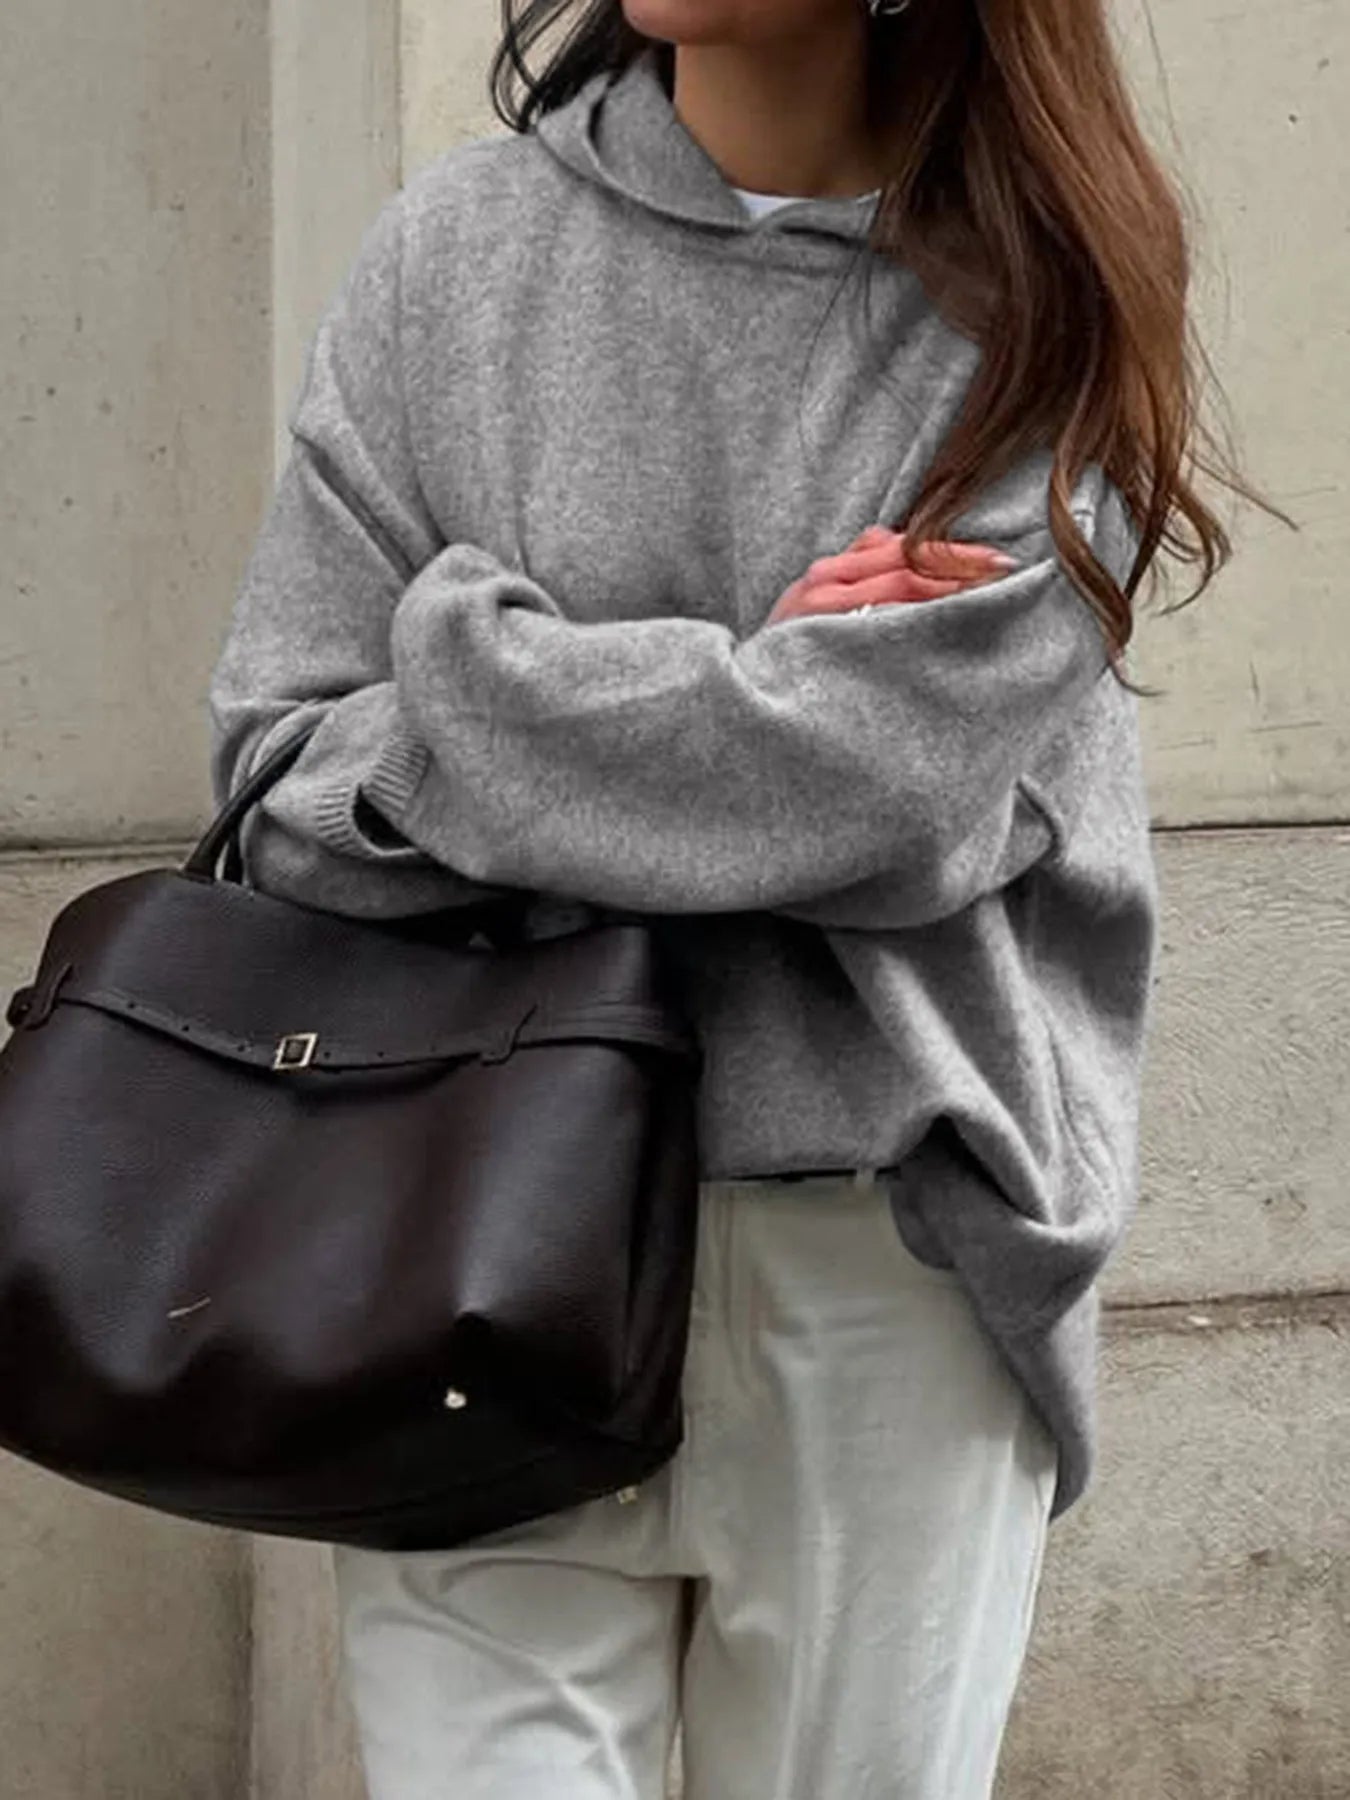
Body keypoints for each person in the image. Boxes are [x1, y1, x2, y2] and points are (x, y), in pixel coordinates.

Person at [207, 2, 1284, 1794]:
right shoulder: (456, 257)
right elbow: (281, 781)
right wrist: (780, 714)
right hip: (460, 1237)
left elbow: (897, 788)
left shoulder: (1037, 300)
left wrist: (465, 679)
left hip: (891, 1254)